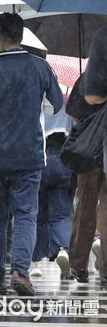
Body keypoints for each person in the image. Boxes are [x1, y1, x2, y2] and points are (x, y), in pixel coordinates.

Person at [0, 12, 63, 296]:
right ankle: (21, 273)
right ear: (20, 37)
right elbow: (55, 105)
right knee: (26, 214)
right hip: (30, 155)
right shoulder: (41, 67)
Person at [66, 71, 107, 285]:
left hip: (89, 150)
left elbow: (73, 113)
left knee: (85, 205)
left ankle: (79, 265)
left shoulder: (89, 77)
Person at [29, 100, 76, 280]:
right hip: (63, 158)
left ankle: (35, 261)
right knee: (61, 214)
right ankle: (63, 249)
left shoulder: (37, 99)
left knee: (38, 215)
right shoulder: (66, 102)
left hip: (40, 157)